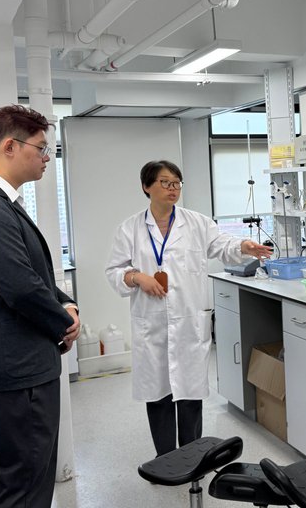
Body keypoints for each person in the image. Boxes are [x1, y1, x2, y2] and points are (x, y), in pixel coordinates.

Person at [0, 104, 80, 508]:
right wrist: (64, 323)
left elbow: (32, 273)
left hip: (12, 371)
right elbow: (22, 290)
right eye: (41, 148)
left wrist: (66, 304)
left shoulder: (0, 203)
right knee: (25, 489)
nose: (47, 157)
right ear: (10, 146)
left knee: (8, 479)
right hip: (15, 374)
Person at [105, 160, 272, 457]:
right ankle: (165, 461)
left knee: (190, 396)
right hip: (151, 324)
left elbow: (222, 245)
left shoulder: (197, 223)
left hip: (188, 323)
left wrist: (243, 246)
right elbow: (114, 271)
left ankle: (192, 459)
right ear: (146, 186)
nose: (173, 189)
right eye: (165, 182)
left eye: (177, 183)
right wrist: (137, 277)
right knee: (158, 396)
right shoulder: (130, 229)